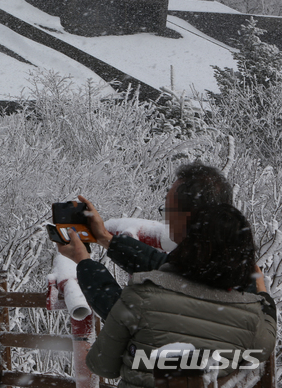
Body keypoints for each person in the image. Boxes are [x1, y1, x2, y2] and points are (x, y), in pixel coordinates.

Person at [78, 204, 276, 387]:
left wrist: (84, 260)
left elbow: (102, 365)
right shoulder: (252, 318)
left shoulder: (141, 295)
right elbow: (265, 344)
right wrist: (263, 294)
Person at [63, 163, 236, 320]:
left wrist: (84, 262)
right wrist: (106, 238)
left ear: (188, 217)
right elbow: (163, 267)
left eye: (168, 209)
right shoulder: (225, 261)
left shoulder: (200, 281)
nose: (166, 219)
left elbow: (126, 318)